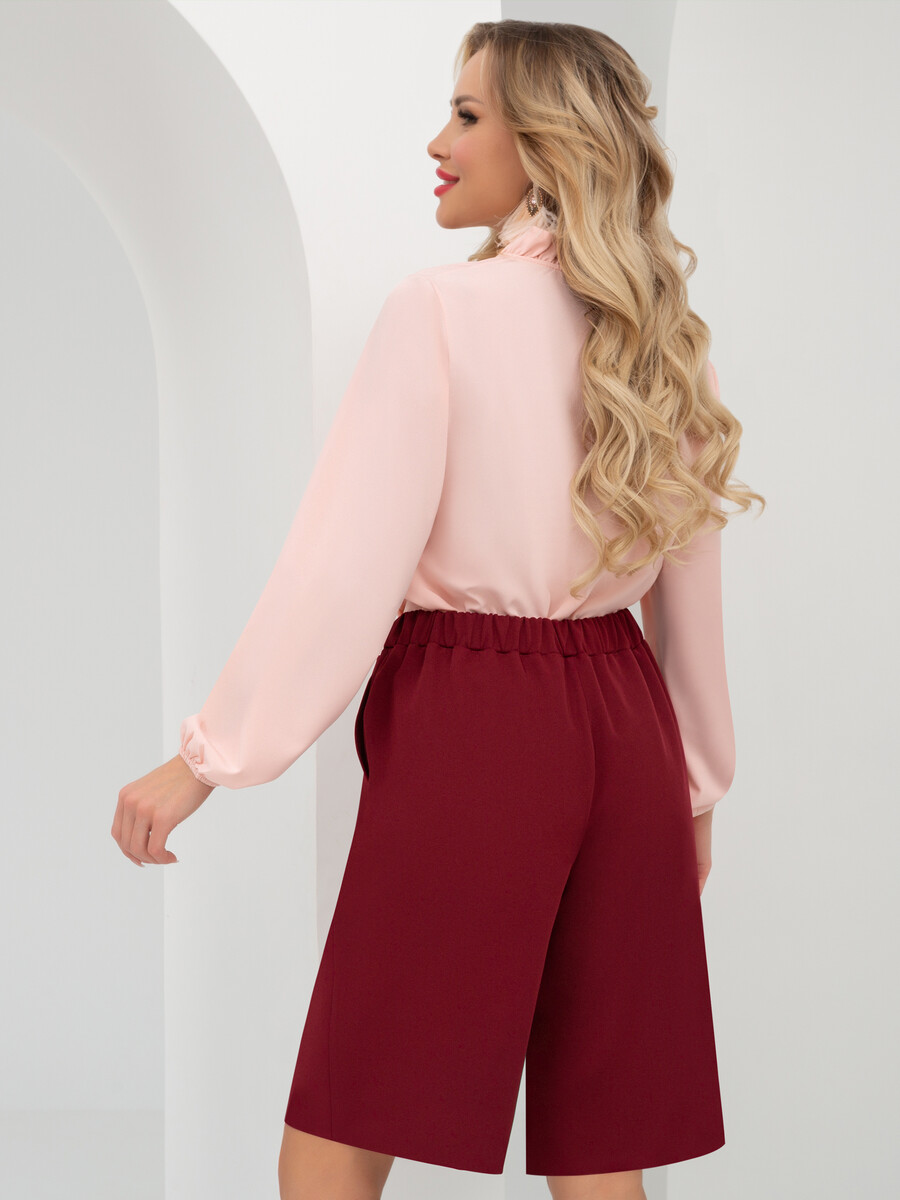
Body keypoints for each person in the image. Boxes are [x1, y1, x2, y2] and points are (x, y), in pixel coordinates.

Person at [111, 18, 765, 1200]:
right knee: (600, 1132)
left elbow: (340, 568)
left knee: (352, 1098)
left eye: (467, 116)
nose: (437, 142)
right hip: (625, 729)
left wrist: (204, 759)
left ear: (546, 141)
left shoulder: (440, 312)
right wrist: (695, 792)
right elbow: (690, 592)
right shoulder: (664, 342)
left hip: (477, 720)